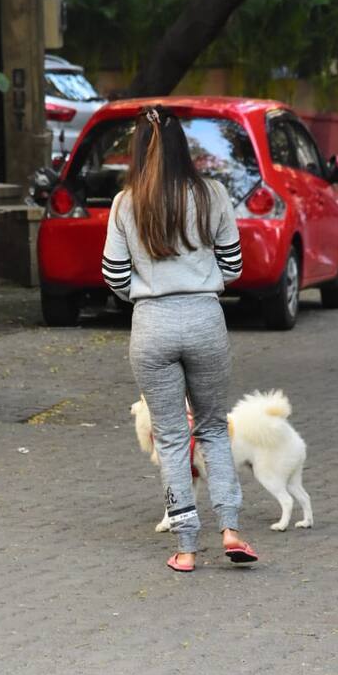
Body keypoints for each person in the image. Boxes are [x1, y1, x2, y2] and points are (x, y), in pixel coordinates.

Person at [102, 104, 258, 573]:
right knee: (212, 428)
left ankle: (187, 548)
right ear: (182, 147)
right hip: (205, 321)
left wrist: (148, 297)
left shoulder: (125, 202)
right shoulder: (213, 194)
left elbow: (113, 274)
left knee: (171, 438)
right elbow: (233, 266)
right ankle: (231, 529)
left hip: (151, 326)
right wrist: (199, 283)